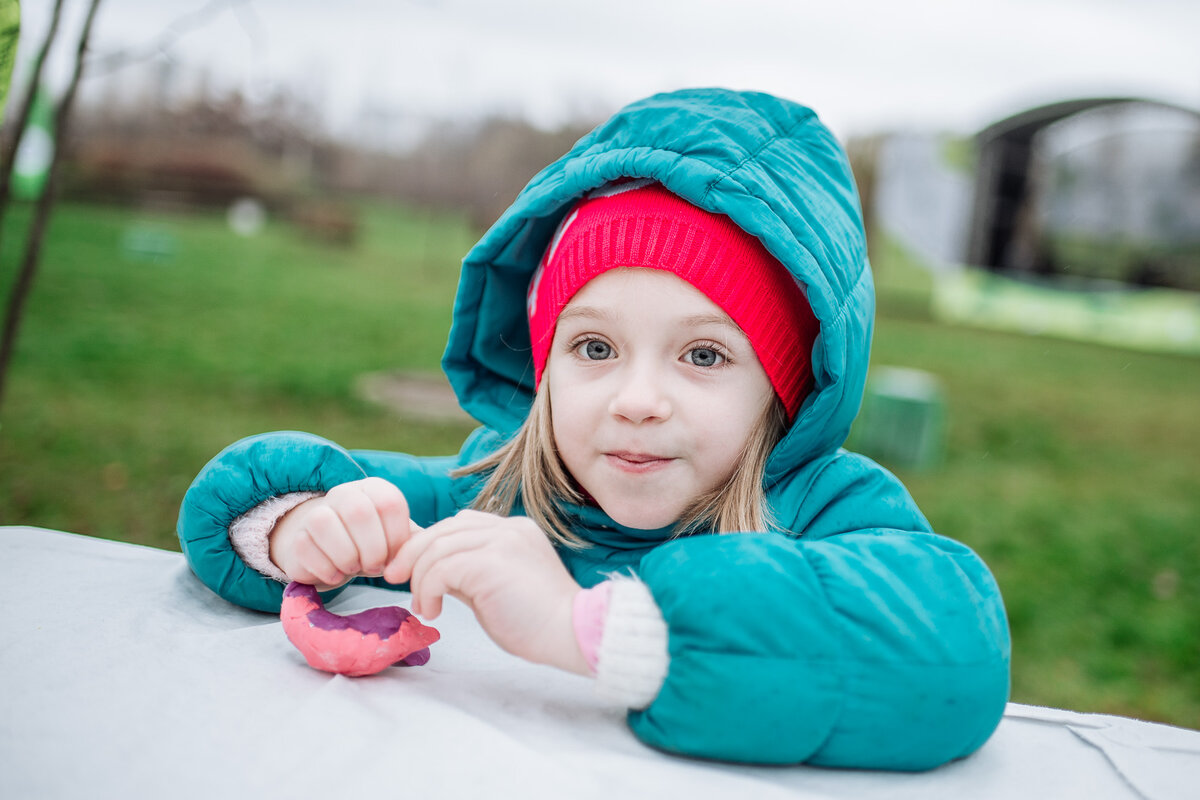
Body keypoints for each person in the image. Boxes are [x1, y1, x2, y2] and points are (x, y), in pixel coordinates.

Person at [178, 87, 1010, 770]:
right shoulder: (503, 493)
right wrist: (299, 528)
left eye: (705, 355)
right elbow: (244, 494)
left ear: (783, 389)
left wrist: (591, 630)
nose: (637, 399)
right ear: (544, 367)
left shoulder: (826, 509)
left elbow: (953, 656)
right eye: (596, 346)